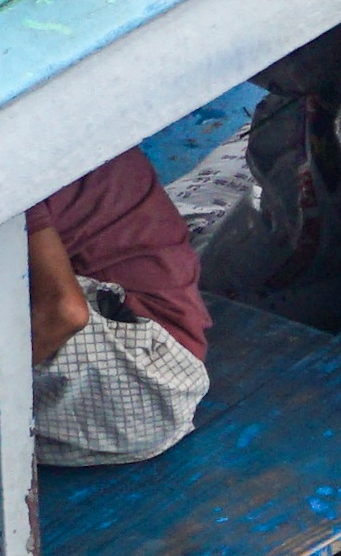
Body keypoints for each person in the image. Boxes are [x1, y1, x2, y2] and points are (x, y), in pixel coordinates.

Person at [26, 152, 214, 468]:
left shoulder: (0, 169)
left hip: (142, 376)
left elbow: (64, 313)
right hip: (175, 361)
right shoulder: (81, 126)